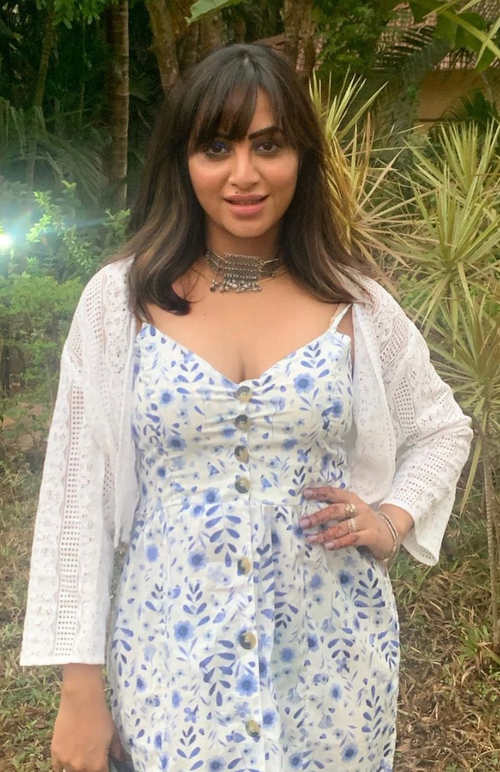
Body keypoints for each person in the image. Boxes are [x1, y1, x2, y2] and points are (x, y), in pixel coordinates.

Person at [20, 43, 472, 772]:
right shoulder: (119, 302)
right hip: (171, 659)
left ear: (301, 158)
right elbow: (77, 495)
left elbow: (442, 428)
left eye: (268, 145)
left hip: (333, 661)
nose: (244, 174)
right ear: (182, 161)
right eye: (216, 147)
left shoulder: (355, 305)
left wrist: (393, 518)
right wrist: (80, 690)